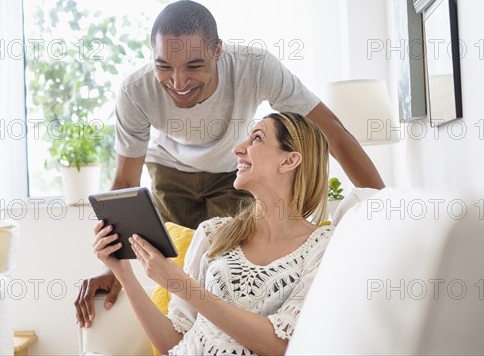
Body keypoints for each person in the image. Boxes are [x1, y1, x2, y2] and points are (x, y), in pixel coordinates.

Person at [75, 0, 383, 327]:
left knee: (230, 272)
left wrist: (382, 206)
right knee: (179, 274)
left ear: (218, 51)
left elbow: (331, 131)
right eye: (164, 66)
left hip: (231, 171)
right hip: (169, 170)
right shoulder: (136, 91)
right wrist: (112, 269)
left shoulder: (255, 67)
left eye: (194, 66)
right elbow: (125, 182)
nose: (178, 83)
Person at [92, 112, 335, 355]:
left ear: (289, 161)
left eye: (257, 138)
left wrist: (181, 285)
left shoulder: (323, 248)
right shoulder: (214, 233)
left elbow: (282, 344)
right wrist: (124, 273)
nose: (238, 149)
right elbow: (172, 344)